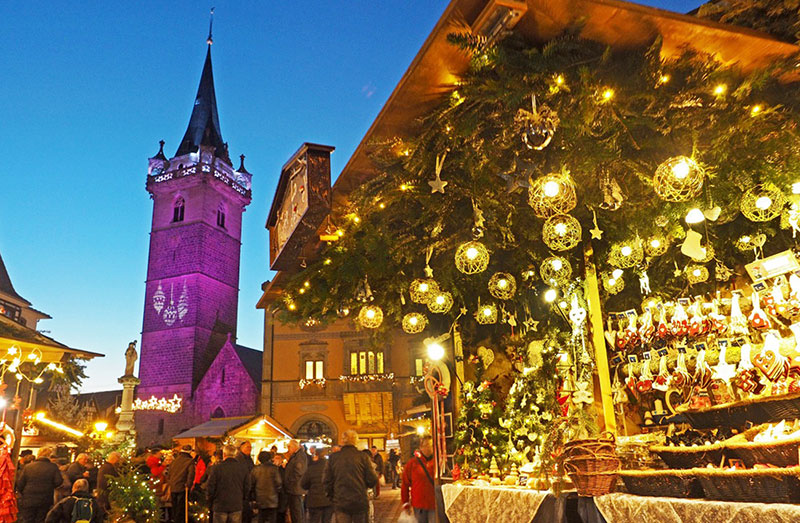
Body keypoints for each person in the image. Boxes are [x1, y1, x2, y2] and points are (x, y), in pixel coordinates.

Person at [322, 430, 377, 523]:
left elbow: (327, 480)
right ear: (356, 441)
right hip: (359, 500)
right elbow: (372, 479)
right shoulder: (363, 457)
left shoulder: (333, 458)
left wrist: (332, 496)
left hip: (341, 500)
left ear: (343, 441)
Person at [16, 447, 63, 522]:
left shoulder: (28, 467)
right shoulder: (53, 467)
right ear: (49, 456)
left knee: (27, 519)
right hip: (45, 498)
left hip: (28, 498)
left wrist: (24, 494)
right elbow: (59, 481)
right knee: (41, 519)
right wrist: (49, 486)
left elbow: (20, 483)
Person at [206, 445, 251, 523]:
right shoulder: (243, 468)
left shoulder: (217, 468)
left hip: (220, 504)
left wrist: (210, 500)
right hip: (236, 504)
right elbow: (247, 486)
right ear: (235, 454)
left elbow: (211, 486)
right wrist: (243, 498)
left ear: (224, 454)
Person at [401, 438, 436, 523]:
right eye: (426, 445)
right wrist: (405, 503)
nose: (428, 448)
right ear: (421, 447)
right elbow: (405, 484)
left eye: (431, 445)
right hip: (419, 504)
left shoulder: (438, 462)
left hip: (434, 504)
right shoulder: (412, 463)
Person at [250, 450, 282, 523]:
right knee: (272, 518)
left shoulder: (256, 469)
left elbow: (251, 484)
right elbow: (279, 482)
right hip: (273, 498)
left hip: (260, 498)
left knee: (261, 517)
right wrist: (278, 491)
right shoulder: (274, 469)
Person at [301, 448, 332, 523]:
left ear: (316, 455)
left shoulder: (311, 468)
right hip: (328, 499)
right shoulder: (331, 468)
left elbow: (303, 484)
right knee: (327, 520)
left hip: (314, 500)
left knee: (314, 520)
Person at [167, 445, 195, 523]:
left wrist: (171, 483)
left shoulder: (174, 461)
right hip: (183, 488)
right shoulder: (190, 461)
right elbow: (191, 475)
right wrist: (189, 485)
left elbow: (169, 474)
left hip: (173, 487)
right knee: (181, 509)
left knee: (175, 508)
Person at [283, 440, 307, 523]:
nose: (288, 449)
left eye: (289, 447)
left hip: (295, 488)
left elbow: (299, 471)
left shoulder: (299, 456)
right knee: (295, 511)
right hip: (294, 488)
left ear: (294, 447)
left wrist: (290, 481)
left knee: (297, 511)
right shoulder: (297, 455)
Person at [235, 441, 255, 523]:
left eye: (250, 447)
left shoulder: (249, 458)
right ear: (241, 448)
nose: (249, 449)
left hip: (248, 487)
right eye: (247, 447)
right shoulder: (238, 459)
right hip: (241, 488)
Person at [273, 454, 288, 523]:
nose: (275, 460)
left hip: (282, 494)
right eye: (275, 458)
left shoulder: (284, 470)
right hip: (274, 495)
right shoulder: (272, 469)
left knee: (281, 514)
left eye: (278, 458)